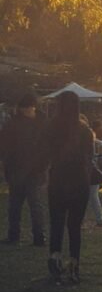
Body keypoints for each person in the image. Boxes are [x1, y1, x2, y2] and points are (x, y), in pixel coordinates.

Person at [45, 91, 95, 284]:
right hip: (79, 181)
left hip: (58, 179)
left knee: (56, 223)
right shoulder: (84, 131)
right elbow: (89, 157)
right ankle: (74, 264)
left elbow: (44, 153)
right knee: (75, 226)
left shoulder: (51, 128)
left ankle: (55, 259)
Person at [1, 94, 48, 246]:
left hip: (21, 170)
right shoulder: (43, 123)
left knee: (18, 205)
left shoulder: (13, 124)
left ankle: (16, 235)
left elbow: (5, 147)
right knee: (33, 205)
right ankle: (37, 236)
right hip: (32, 170)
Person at [87, 128, 102, 227]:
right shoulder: (100, 144)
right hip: (93, 171)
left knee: (90, 195)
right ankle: (99, 218)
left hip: (86, 170)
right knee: (93, 195)